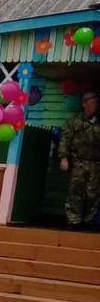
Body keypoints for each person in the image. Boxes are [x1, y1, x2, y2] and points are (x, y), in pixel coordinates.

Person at [58, 91, 100, 228]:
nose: (95, 105)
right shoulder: (74, 121)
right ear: (84, 104)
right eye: (92, 102)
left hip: (96, 164)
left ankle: (88, 220)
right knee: (75, 191)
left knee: (93, 193)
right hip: (78, 162)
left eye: (96, 103)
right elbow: (65, 139)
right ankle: (73, 221)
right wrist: (63, 157)